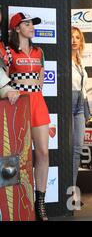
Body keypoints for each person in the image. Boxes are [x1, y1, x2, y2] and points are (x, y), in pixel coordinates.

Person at [2, 13, 51, 220]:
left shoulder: (39, 51)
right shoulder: (7, 51)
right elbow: (3, 79)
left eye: (33, 24)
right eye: (27, 24)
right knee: (17, 156)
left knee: (43, 153)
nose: (32, 27)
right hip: (18, 105)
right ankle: (18, 203)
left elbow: (40, 81)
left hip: (37, 102)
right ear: (17, 28)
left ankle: (40, 202)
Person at [71, 27, 88, 205]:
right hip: (68, 101)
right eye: (71, 37)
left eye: (77, 37)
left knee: (77, 149)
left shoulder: (80, 60)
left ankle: (72, 191)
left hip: (80, 105)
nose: (74, 40)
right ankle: (64, 192)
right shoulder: (62, 59)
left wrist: (87, 110)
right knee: (67, 149)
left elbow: (83, 88)